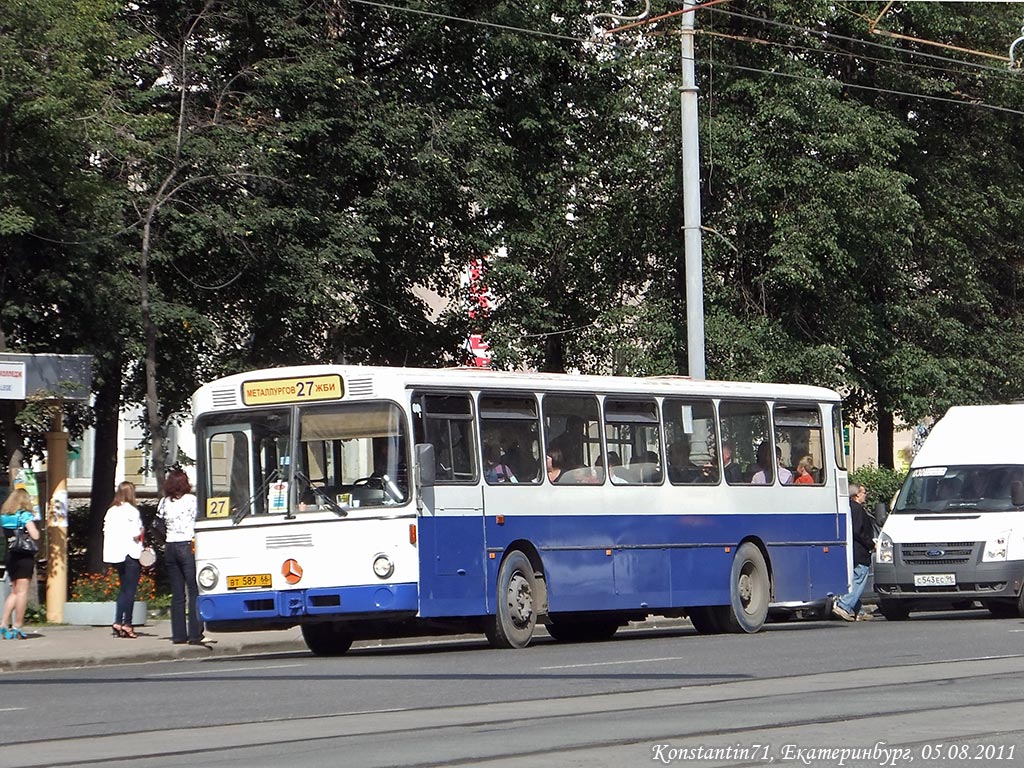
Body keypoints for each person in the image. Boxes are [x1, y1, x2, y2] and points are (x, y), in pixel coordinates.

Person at [158, 469, 205, 645]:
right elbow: (198, 521)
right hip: (187, 545)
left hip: (170, 546)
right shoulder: (192, 501)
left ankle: (178, 635)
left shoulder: (164, 502)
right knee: (193, 590)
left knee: (177, 594)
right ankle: (195, 633)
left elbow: (159, 523)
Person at [103, 481, 144, 639]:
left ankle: (117, 621)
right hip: (130, 553)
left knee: (123, 589)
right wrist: (141, 531)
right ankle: (127, 623)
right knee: (130, 591)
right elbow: (135, 534)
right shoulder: (132, 511)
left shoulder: (111, 511)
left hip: (115, 554)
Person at [0, 488, 40, 639]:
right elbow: (35, 534)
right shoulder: (24, 516)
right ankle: (17, 625)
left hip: (10, 555)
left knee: (14, 592)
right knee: (22, 592)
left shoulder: (4, 517)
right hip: (24, 557)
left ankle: (3, 624)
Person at [832, 483, 875, 622]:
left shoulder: (847, 508)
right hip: (860, 550)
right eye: (863, 492)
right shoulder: (857, 509)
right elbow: (858, 531)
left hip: (850, 551)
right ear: (856, 495)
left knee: (853, 579)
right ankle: (843, 606)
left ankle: (859, 611)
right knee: (859, 579)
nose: (865, 495)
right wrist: (871, 543)